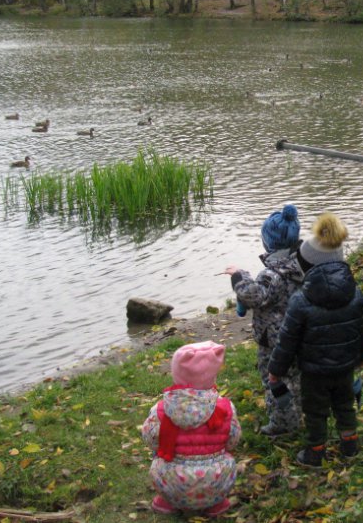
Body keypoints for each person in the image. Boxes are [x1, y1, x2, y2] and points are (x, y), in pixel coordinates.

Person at [268, 212, 363, 467]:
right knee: (345, 405)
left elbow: (287, 340)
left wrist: (275, 371)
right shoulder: (355, 293)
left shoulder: (301, 301)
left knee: (315, 411)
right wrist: (362, 357)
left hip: (314, 371)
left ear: (308, 266)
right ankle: (350, 445)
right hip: (345, 366)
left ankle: (315, 452)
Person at [225, 204, 304, 437]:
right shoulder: (300, 264)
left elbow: (253, 295)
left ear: (268, 243)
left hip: (275, 340)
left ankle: (283, 424)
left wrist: (239, 275)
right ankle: (300, 409)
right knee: (296, 376)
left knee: (275, 381)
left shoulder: (272, 274)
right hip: (299, 333)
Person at [141, 341, 241, 517]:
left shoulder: (162, 409)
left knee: (158, 461)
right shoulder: (226, 408)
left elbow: (150, 440)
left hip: (175, 483)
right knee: (227, 459)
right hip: (216, 481)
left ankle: (168, 502)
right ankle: (215, 504)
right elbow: (233, 440)